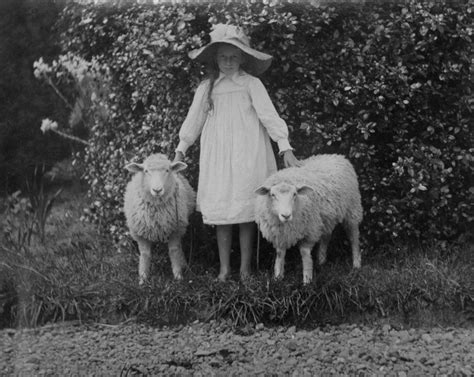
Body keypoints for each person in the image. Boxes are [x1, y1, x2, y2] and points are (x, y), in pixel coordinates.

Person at [174, 24, 301, 281]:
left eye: (234, 57)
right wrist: (181, 149)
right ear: (215, 58)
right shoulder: (207, 88)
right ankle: (224, 268)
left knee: (245, 210)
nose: (228, 62)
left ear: (242, 58)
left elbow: (269, 115)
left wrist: (283, 145)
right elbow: (193, 120)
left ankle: (244, 268)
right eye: (223, 57)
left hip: (247, 152)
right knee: (223, 213)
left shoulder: (251, 84)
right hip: (219, 156)